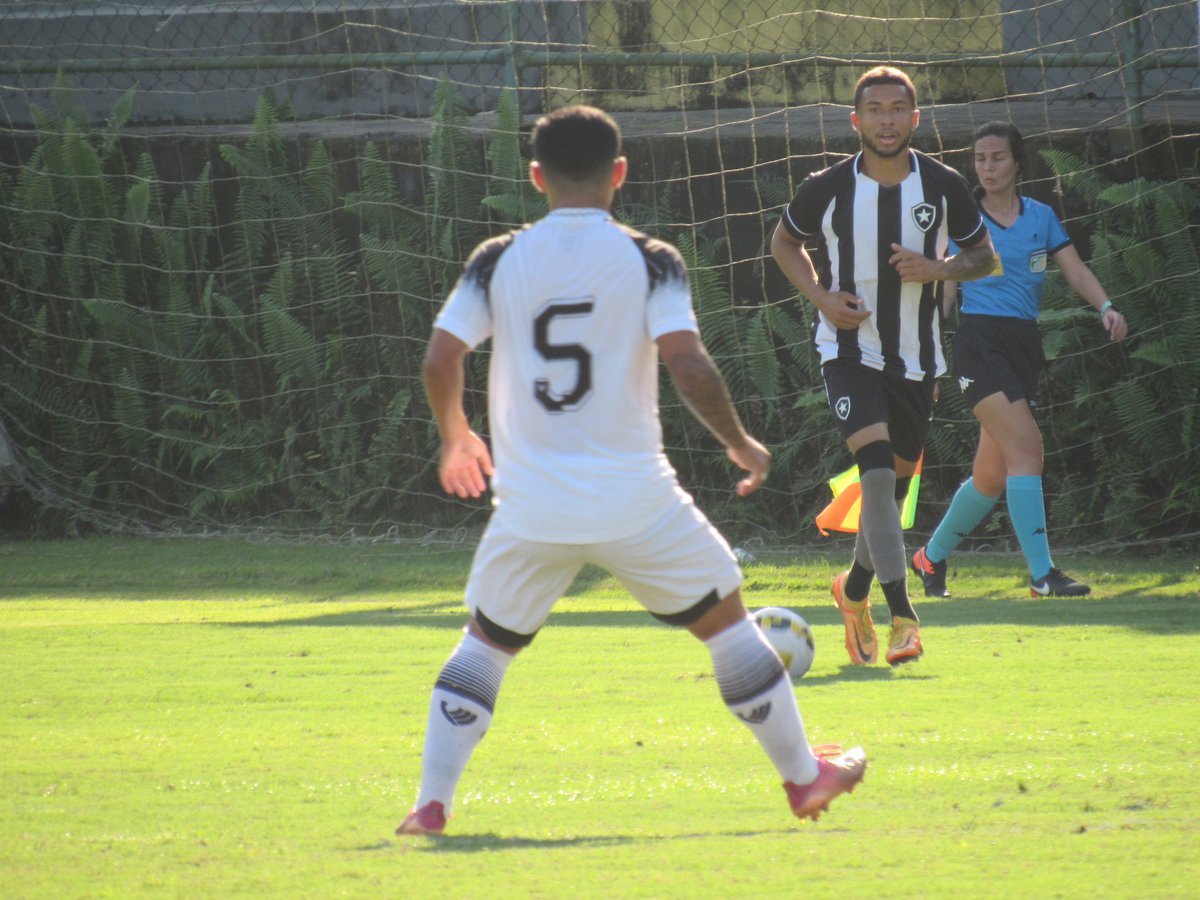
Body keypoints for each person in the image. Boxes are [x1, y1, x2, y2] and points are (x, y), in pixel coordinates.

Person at [398, 105, 866, 837]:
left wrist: (456, 437)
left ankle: (430, 804)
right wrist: (739, 442)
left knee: (485, 644)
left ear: (534, 177)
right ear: (619, 174)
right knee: (728, 626)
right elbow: (687, 361)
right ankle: (804, 778)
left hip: (531, 505)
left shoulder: (496, 258)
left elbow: (439, 358)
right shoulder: (651, 258)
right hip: (636, 500)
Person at [771, 66, 995, 667]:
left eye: (898, 109)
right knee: (873, 472)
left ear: (914, 119)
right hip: (847, 351)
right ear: (857, 120)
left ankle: (854, 590)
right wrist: (821, 299)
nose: (887, 119)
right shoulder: (828, 185)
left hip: (918, 362)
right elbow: (783, 243)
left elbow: (983, 258)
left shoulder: (943, 184)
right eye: (875, 109)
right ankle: (904, 616)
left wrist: (938, 270)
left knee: (890, 495)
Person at [910, 121, 1129, 599]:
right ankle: (1042, 576)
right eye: (980, 158)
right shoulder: (965, 221)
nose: (987, 167)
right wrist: (924, 357)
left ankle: (929, 558)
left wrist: (1106, 307)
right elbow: (945, 294)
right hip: (978, 346)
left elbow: (1074, 268)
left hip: (1023, 346)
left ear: (1018, 163)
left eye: (998, 157)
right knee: (1027, 446)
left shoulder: (1040, 216)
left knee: (990, 478)